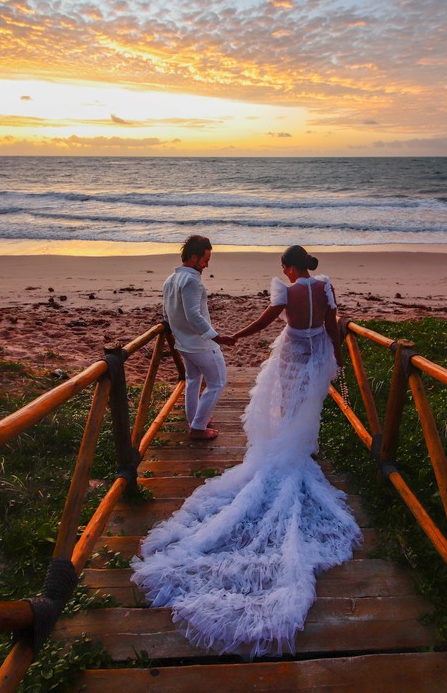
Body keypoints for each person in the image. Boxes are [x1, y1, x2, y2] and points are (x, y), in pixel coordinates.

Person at [132, 245, 359, 659]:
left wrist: (239, 336)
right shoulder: (326, 286)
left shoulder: (286, 290)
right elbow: (330, 325)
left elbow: (268, 320)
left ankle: (286, 445)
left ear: (291, 267)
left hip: (292, 349)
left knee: (287, 398)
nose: (284, 271)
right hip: (318, 351)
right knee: (310, 402)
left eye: (284, 266)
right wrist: (339, 358)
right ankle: (299, 447)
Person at [162, 235, 235, 441]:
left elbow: (166, 313)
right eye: (205, 260)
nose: (206, 265)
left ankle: (195, 419)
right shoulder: (191, 280)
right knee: (217, 382)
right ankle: (198, 427)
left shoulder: (170, 280)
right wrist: (217, 337)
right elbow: (194, 315)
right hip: (200, 344)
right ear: (193, 258)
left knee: (193, 380)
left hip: (183, 343)